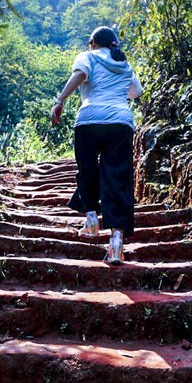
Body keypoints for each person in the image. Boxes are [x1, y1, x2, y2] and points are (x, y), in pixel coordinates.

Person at [50, 26, 144, 265]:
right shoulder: (123, 63)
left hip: (89, 121)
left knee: (87, 170)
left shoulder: (87, 56)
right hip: (120, 123)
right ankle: (116, 244)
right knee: (118, 179)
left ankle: (91, 220)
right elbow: (136, 92)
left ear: (92, 42)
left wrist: (60, 101)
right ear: (113, 44)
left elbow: (80, 75)